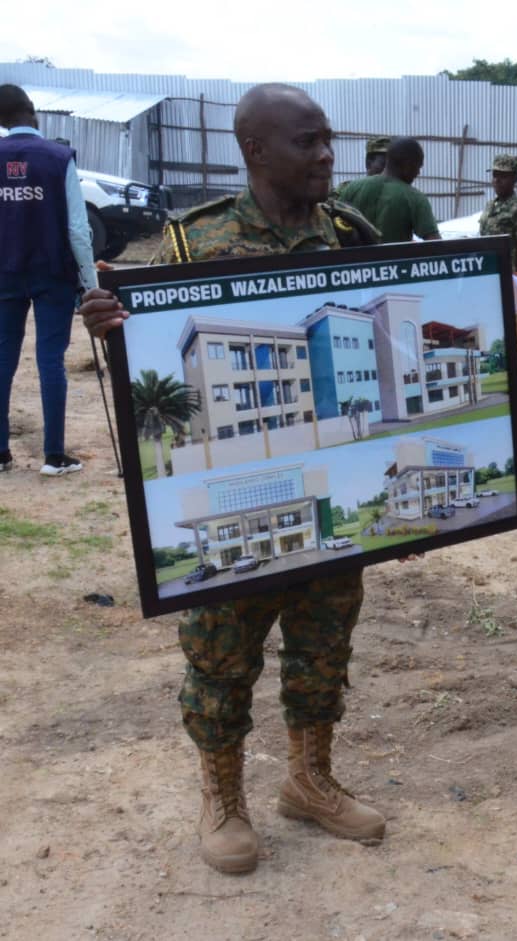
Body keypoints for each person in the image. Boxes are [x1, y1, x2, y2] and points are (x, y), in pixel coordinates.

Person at [78, 83, 386, 876]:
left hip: (327, 492)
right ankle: (223, 798)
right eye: (308, 142)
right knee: (221, 654)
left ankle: (309, 780)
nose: (326, 156)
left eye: (329, 140)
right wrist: (108, 320)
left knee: (324, 645)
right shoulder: (188, 245)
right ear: (254, 151)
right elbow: (136, 338)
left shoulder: (351, 235)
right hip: (232, 495)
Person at [0, 83, 97, 477]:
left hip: (4, 274)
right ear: (32, 111)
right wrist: (91, 284)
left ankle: (1, 454)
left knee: (3, 359)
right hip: (53, 275)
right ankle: (54, 456)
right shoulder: (59, 157)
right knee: (50, 360)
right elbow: (78, 228)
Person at [336, 136, 441, 244]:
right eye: (418, 167)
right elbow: (435, 244)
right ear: (408, 165)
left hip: (356, 260)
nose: (418, 173)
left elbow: (335, 230)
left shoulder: (352, 188)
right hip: (396, 260)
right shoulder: (415, 198)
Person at [477, 154, 517, 275]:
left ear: (515, 179)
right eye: (495, 175)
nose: (497, 180)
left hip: (506, 274)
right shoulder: (491, 205)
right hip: (487, 270)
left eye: (503, 176)